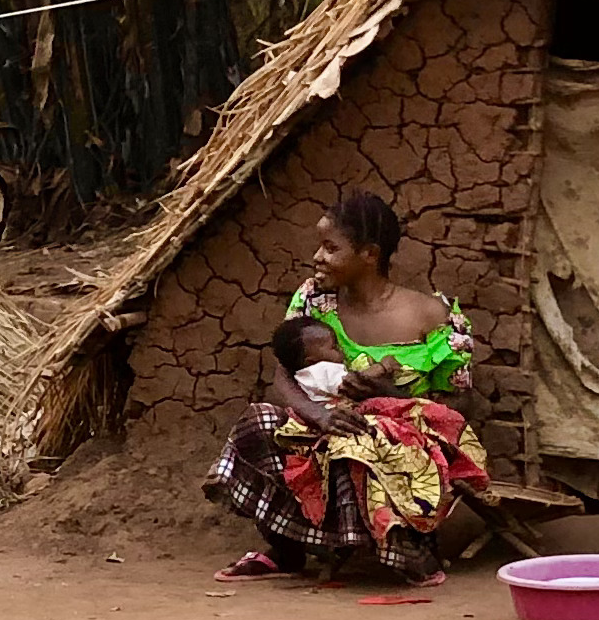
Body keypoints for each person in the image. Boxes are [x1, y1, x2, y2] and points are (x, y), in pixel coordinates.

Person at [208, 189, 487, 586]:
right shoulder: (315, 302)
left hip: (401, 440)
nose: (317, 257)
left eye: (330, 247)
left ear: (369, 255)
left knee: (365, 445)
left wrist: (392, 398)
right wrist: (321, 416)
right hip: (326, 429)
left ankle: (404, 546)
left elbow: (462, 404)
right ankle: (287, 549)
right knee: (260, 422)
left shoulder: (432, 316)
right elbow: (283, 375)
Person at [270, 316, 348, 405]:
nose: (341, 349)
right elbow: (350, 386)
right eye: (334, 347)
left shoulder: (302, 377)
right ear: (312, 361)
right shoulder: (324, 371)